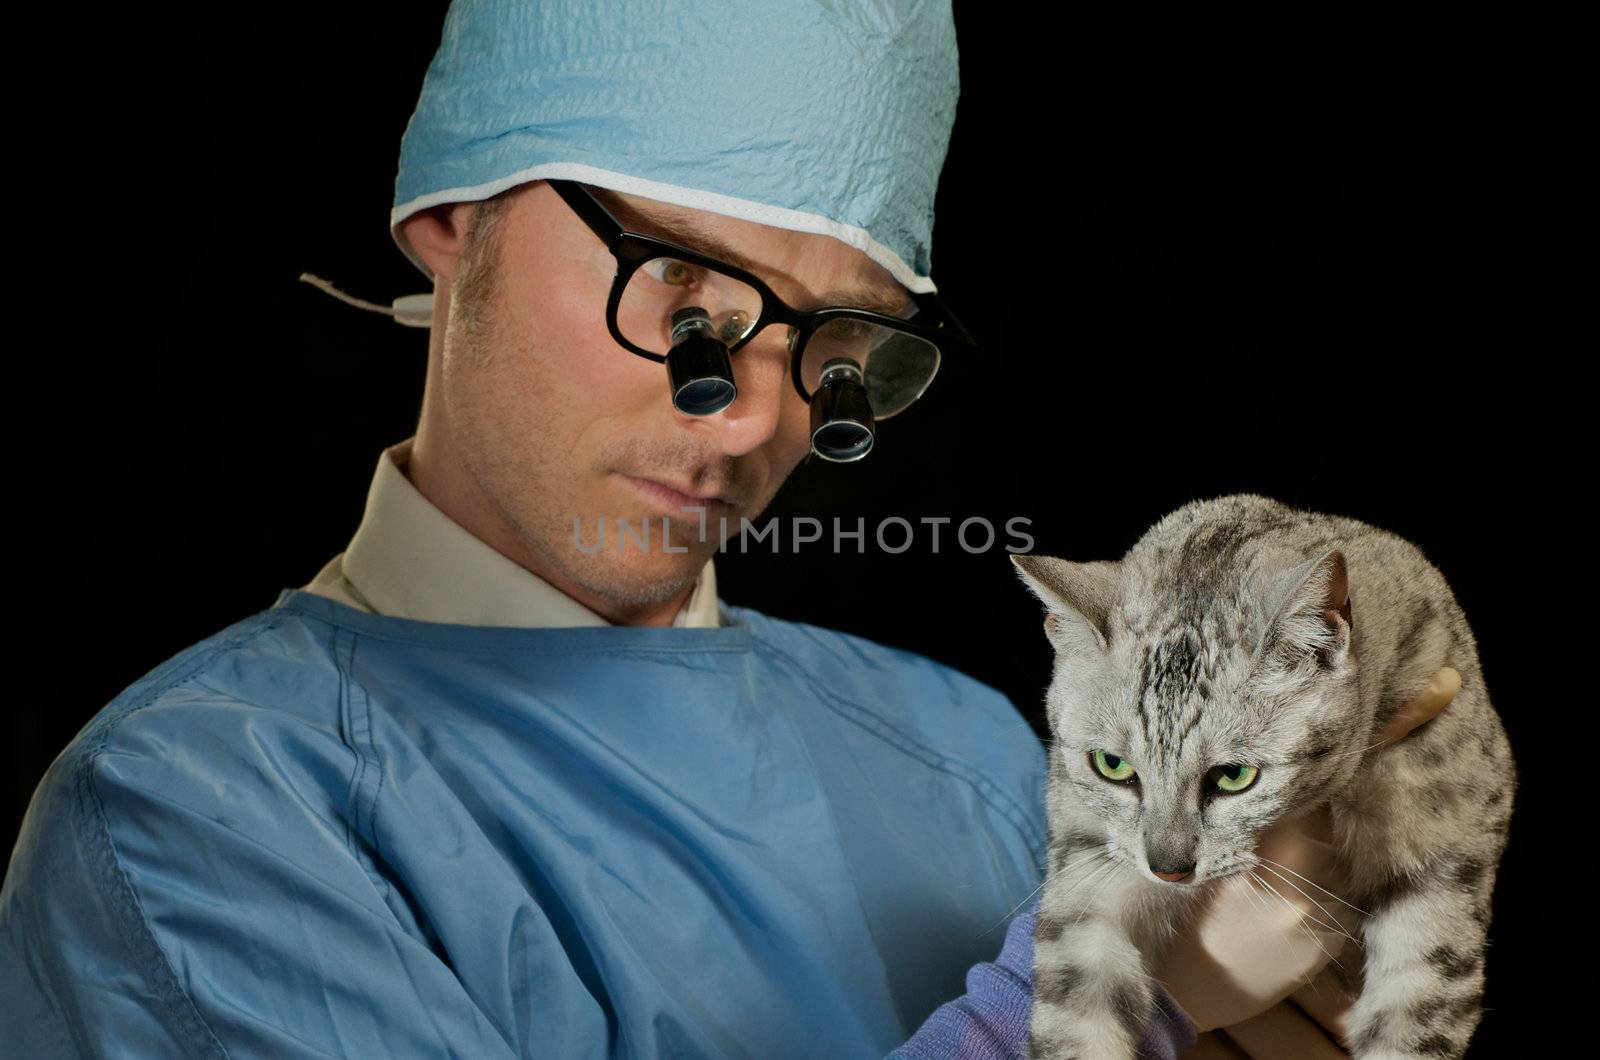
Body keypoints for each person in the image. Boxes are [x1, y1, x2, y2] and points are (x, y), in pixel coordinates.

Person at [0, 2, 1454, 1057]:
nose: (756, 422)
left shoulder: (961, 749)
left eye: (832, 349)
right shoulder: (196, 815)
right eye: (688, 309)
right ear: (454, 229)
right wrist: (1116, 1006)